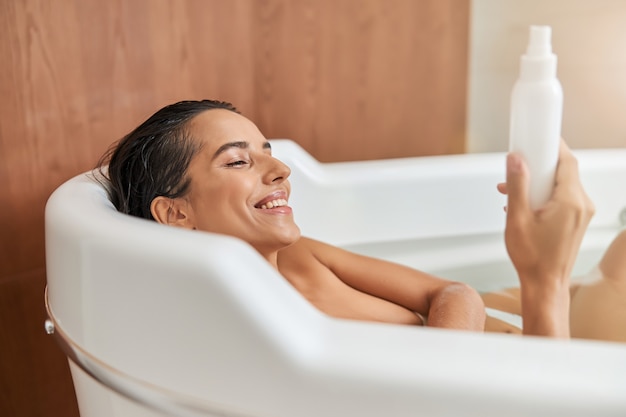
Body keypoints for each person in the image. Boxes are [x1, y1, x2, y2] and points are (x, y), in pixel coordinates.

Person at [98, 99, 625, 341]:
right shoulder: (249, 331)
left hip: (534, 333)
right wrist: (542, 282)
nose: (280, 170)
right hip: (557, 356)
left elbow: (454, 294)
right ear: (174, 213)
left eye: (269, 152)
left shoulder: (299, 257)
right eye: (239, 161)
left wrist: (448, 351)